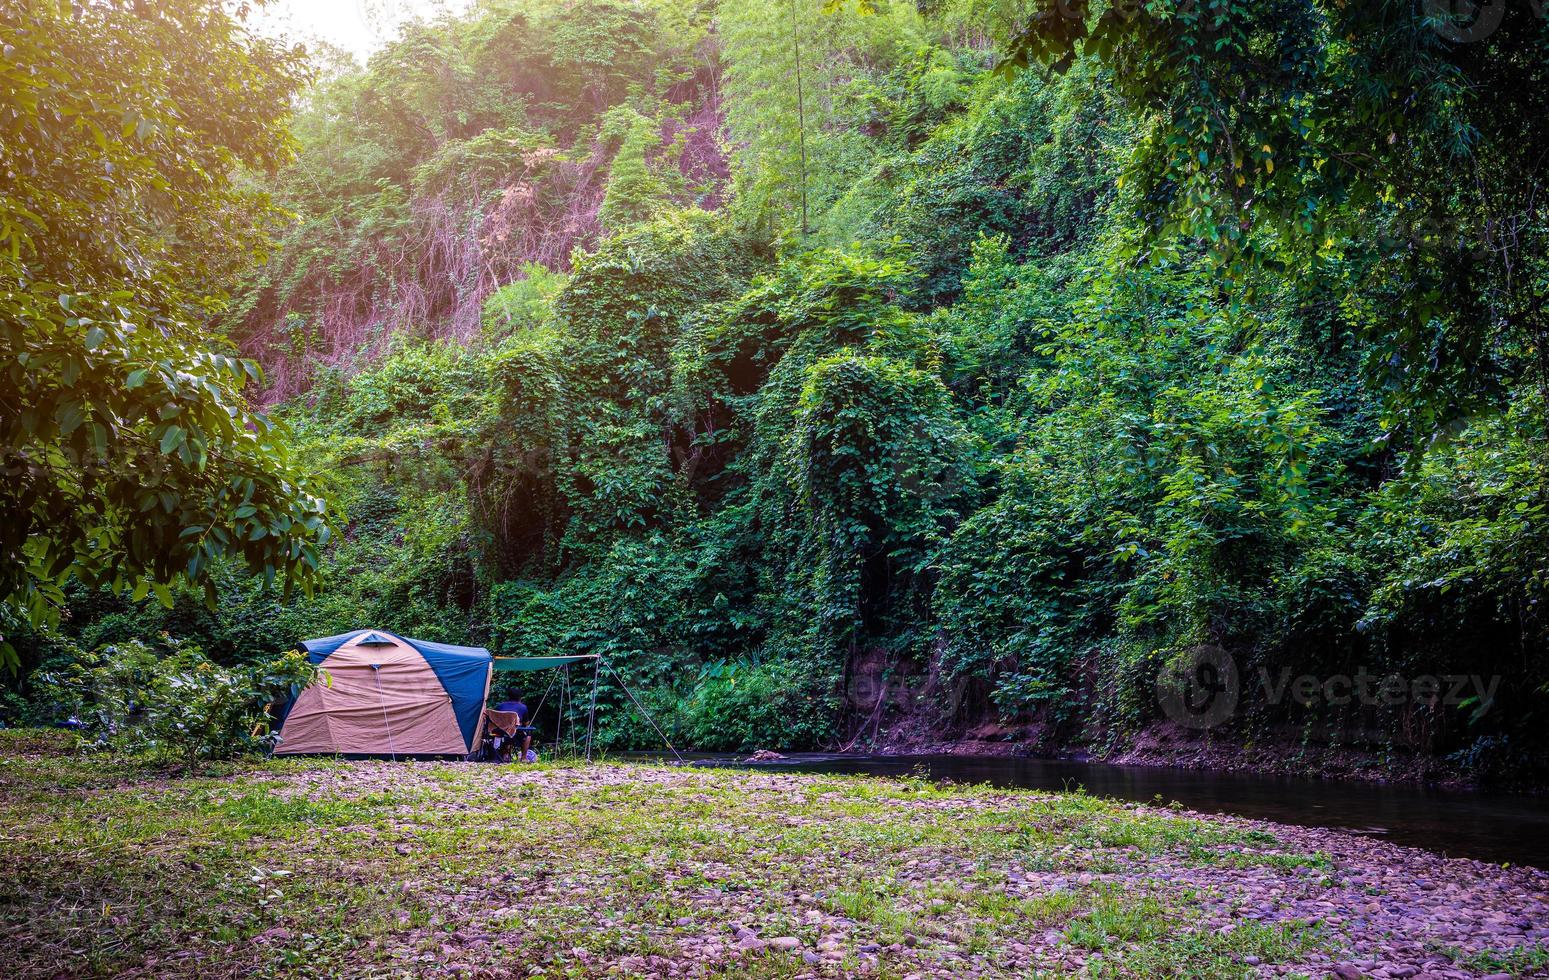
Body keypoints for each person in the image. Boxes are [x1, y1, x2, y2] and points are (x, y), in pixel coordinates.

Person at [493, 687, 532, 762]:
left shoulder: (500, 706)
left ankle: (505, 755)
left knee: (507, 733)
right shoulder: (523, 707)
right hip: (514, 734)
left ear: (508, 696)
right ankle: (523, 758)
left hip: (500, 733)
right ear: (520, 697)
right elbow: (526, 724)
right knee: (528, 734)